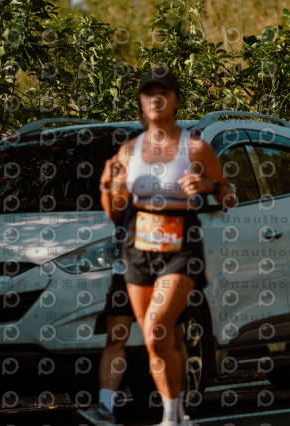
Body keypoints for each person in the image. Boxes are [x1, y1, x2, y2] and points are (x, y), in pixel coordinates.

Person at [101, 68, 236, 426]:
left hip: (181, 246)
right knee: (157, 339)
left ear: (176, 100)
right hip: (137, 248)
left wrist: (208, 186)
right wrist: (108, 186)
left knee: (157, 327)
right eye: (149, 93)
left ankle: (172, 416)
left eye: (164, 92)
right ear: (141, 102)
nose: (156, 99)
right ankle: (174, 412)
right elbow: (116, 212)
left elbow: (228, 195)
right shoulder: (129, 150)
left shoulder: (195, 148)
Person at [74, 204, 136, 426]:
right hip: (126, 266)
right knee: (116, 335)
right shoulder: (122, 180)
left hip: (163, 264)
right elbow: (113, 211)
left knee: (165, 337)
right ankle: (105, 409)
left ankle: (175, 412)